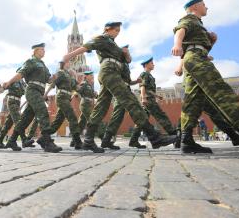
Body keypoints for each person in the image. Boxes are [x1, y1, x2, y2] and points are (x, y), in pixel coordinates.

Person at [172, 0, 239, 153]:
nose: (207, 7)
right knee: (222, 93)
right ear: (195, 7)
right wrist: (177, 44)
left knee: (193, 101)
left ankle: (186, 140)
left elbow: (198, 46)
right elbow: (180, 30)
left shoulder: (199, 24)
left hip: (194, 58)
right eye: (204, 4)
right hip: (196, 59)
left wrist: (212, 42)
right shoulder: (190, 19)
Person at [63, 22, 177, 153]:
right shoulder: (102, 38)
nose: (117, 32)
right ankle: (154, 137)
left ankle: (88, 140)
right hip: (108, 71)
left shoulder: (115, 45)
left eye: (119, 31)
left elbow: (127, 61)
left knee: (101, 107)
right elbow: (87, 46)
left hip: (114, 72)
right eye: (115, 30)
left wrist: (126, 53)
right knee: (131, 101)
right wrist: (68, 56)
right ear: (107, 29)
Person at [2, 43, 62, 153]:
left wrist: (54, 77)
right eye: (42, 49)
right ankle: (46, 140)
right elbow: (21, 74)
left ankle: (12, 140)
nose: (44, 51)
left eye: (44, 50)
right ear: (35, 51)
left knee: (26, 118)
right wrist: (9, 82)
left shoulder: (43, 65)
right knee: (43, 111)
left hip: (39, 91)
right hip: (32, 90)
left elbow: (49, 80)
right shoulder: (31, 61)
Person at [44, 61, 82, 149]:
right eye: (68, 63)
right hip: (62, 97)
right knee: (72, 117)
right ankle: (77, 141)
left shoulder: (69, 75)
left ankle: (44, 137)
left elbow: (76, 87)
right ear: (64, 64)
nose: (70, 64)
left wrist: (76, 77)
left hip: (67, 98)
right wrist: (46, 94)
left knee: (58, 121)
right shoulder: (60, 73)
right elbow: (53, 83)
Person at [0, 69, 29, 148]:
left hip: (18, 103)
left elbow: (28, 93)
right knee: (18, 121)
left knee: (8, 123)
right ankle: (24, 139)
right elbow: (3, 88)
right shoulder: (13, 80)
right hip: (11, 101)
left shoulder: (23, 84)